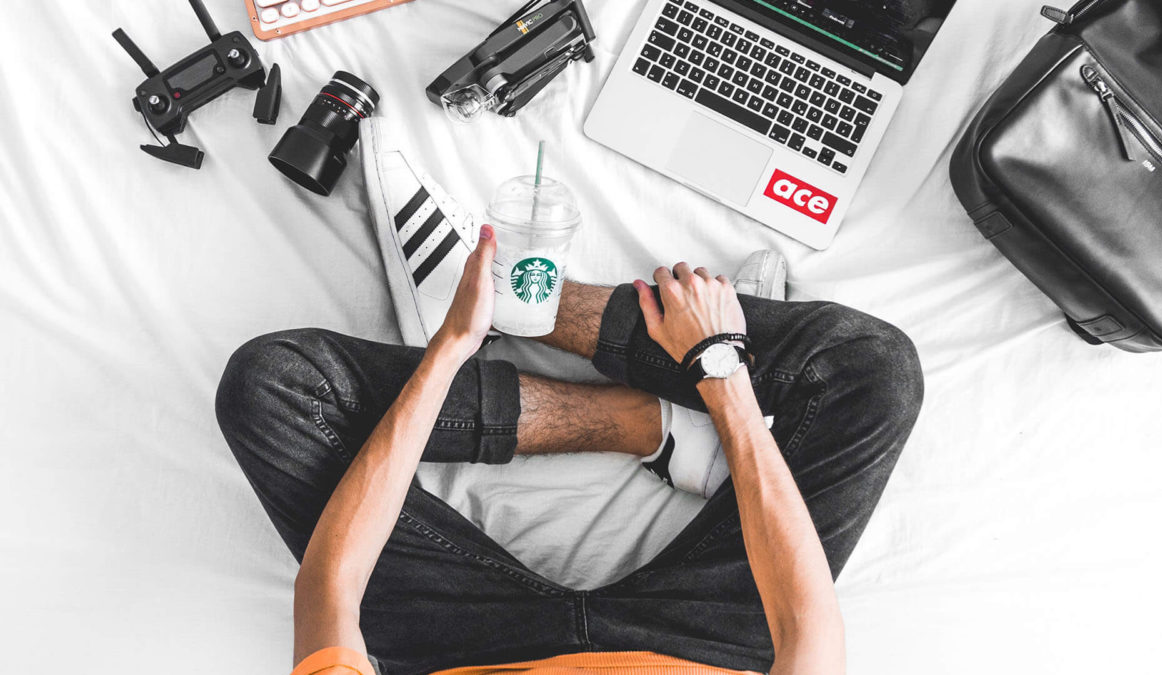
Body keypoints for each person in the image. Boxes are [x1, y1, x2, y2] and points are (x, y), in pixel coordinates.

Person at [215, 219, 924, 675]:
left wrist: (452, 346)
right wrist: (719, 372)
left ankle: (524, 301)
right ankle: (636, 397)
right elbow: (806, 631)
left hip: (457, 640)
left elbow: (332, 587)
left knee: (272, 386)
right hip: (705, 636)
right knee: (872, 369)